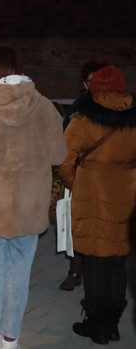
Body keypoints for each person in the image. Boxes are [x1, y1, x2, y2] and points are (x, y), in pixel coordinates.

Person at [0, 47, 67, 349]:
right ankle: (11, 339)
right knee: (19, 277)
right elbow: (59, 155)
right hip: (29, 206)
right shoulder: (45, 107)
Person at [57, 65, 136, 345]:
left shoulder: (83, 118)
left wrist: (76, 182)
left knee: (94, 263)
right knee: (117, 263)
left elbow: (64, 160)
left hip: (92, 195)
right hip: (127, 196)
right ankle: (113, 325)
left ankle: (97, 325)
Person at [58, 60, 105, 291]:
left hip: (108, 179)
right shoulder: (79, 107)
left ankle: (99, 274)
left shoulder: (119, 108)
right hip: (81, 174)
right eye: (90, 81)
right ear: (84, 84)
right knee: (77, 225)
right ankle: (75, 270)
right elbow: (66, 139)